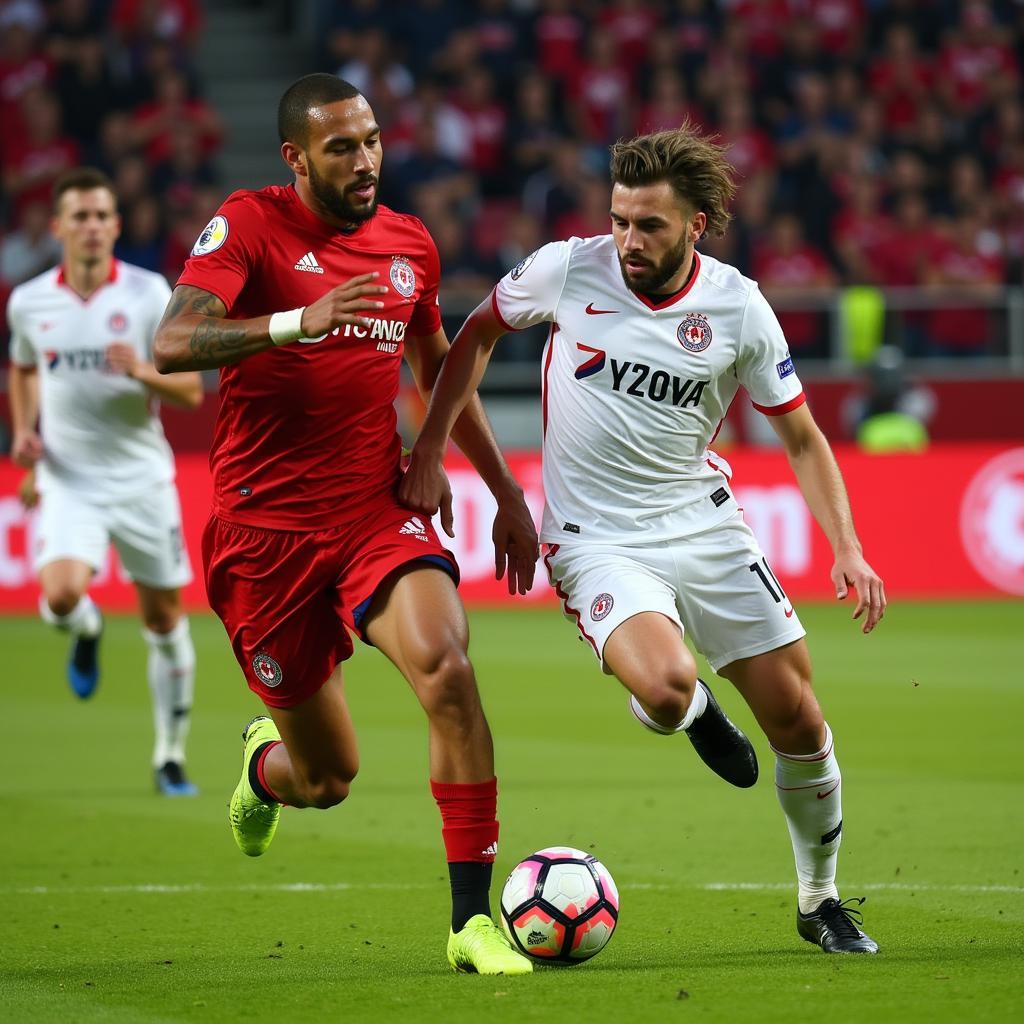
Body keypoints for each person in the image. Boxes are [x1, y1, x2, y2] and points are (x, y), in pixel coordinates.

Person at [401, 125, 888, 955]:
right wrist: (437, 450)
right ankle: (688, 709)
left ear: (696, 224)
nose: (628, 239)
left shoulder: (737, 304)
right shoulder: (567, 267)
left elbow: (802, 437)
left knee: (801, 722)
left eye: (650, 225)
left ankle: (821, 900)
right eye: (621, 219)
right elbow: (472, 336)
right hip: (595, 537)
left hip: (703, 523)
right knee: (668, 689)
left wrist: (847, 545)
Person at [151, 74, 538, 976]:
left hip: (375, 509)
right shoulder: (247, 225)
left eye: (370, 141)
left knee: (448, 669)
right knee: (325, 780)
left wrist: (496, 488)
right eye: (341, 147)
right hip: (263, 536)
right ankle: (263, 769)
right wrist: (294, 322)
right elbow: (172, 343)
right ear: (296, 158)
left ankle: (471, 924)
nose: (364, 161)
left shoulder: (408, 243)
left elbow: (440, 367)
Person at [6, 166, 204, 797]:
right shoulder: (29, 301)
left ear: (115, 226)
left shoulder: (149, 295)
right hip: (69, 479)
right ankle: (87, 631)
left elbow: (193, 390)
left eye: (101, 216)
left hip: (143, 478)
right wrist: (26, 436)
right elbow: (23, 368)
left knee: (164, 618)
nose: (91, 227)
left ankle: (169, 755)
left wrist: (144, 373)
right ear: (59, 225)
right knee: (61, 597)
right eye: (80, 216)